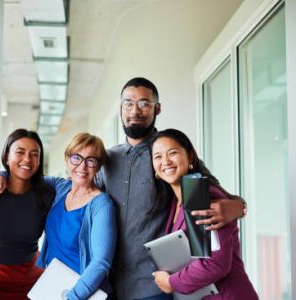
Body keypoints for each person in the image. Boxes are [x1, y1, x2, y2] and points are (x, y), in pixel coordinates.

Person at [95, 77, 246, 299]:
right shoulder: (107, 160)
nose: (135, 110)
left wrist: (239, 206)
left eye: (144, 103)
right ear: (121, 109)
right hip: (112, 285)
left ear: (157, 108)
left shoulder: (172, 156)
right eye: (128, 103)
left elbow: (212, 191)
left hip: (156, 286)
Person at [150, 128, 258, 299]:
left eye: (173, 153)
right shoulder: (175, 202)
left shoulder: (201, 196)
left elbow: (214, 263)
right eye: (158, 157)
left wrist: (172, 282)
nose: (166, 161)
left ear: (190, 157)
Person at [0, 129, 55, 300]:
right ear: (6, 157)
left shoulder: (47, 194)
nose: (27, 159)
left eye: (34, 154)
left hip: (33, 278)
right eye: (20, 152)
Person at [37, 132, 116, 300]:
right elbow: (26, 177)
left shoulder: (101, 205)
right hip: (56, 288)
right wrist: (1, 176)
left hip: (85, 294)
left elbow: (101, 262)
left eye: (91, 160)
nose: (82, 166)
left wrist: (73, 297)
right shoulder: (61, 187)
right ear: (67, 159)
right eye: (76, 158)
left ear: (98, 166)